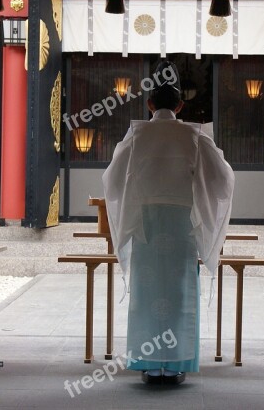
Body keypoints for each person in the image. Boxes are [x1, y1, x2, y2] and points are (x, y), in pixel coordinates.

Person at [102, 60, 234, 385]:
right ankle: (175, 364)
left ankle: (148, 363)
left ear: (149, 104)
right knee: (177, 292)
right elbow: (223, 181)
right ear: (179, 105)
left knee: (147, 293)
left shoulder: (136, 136)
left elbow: (113, 182)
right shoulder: (194, 136)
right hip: (181, 222)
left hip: (146, 223)